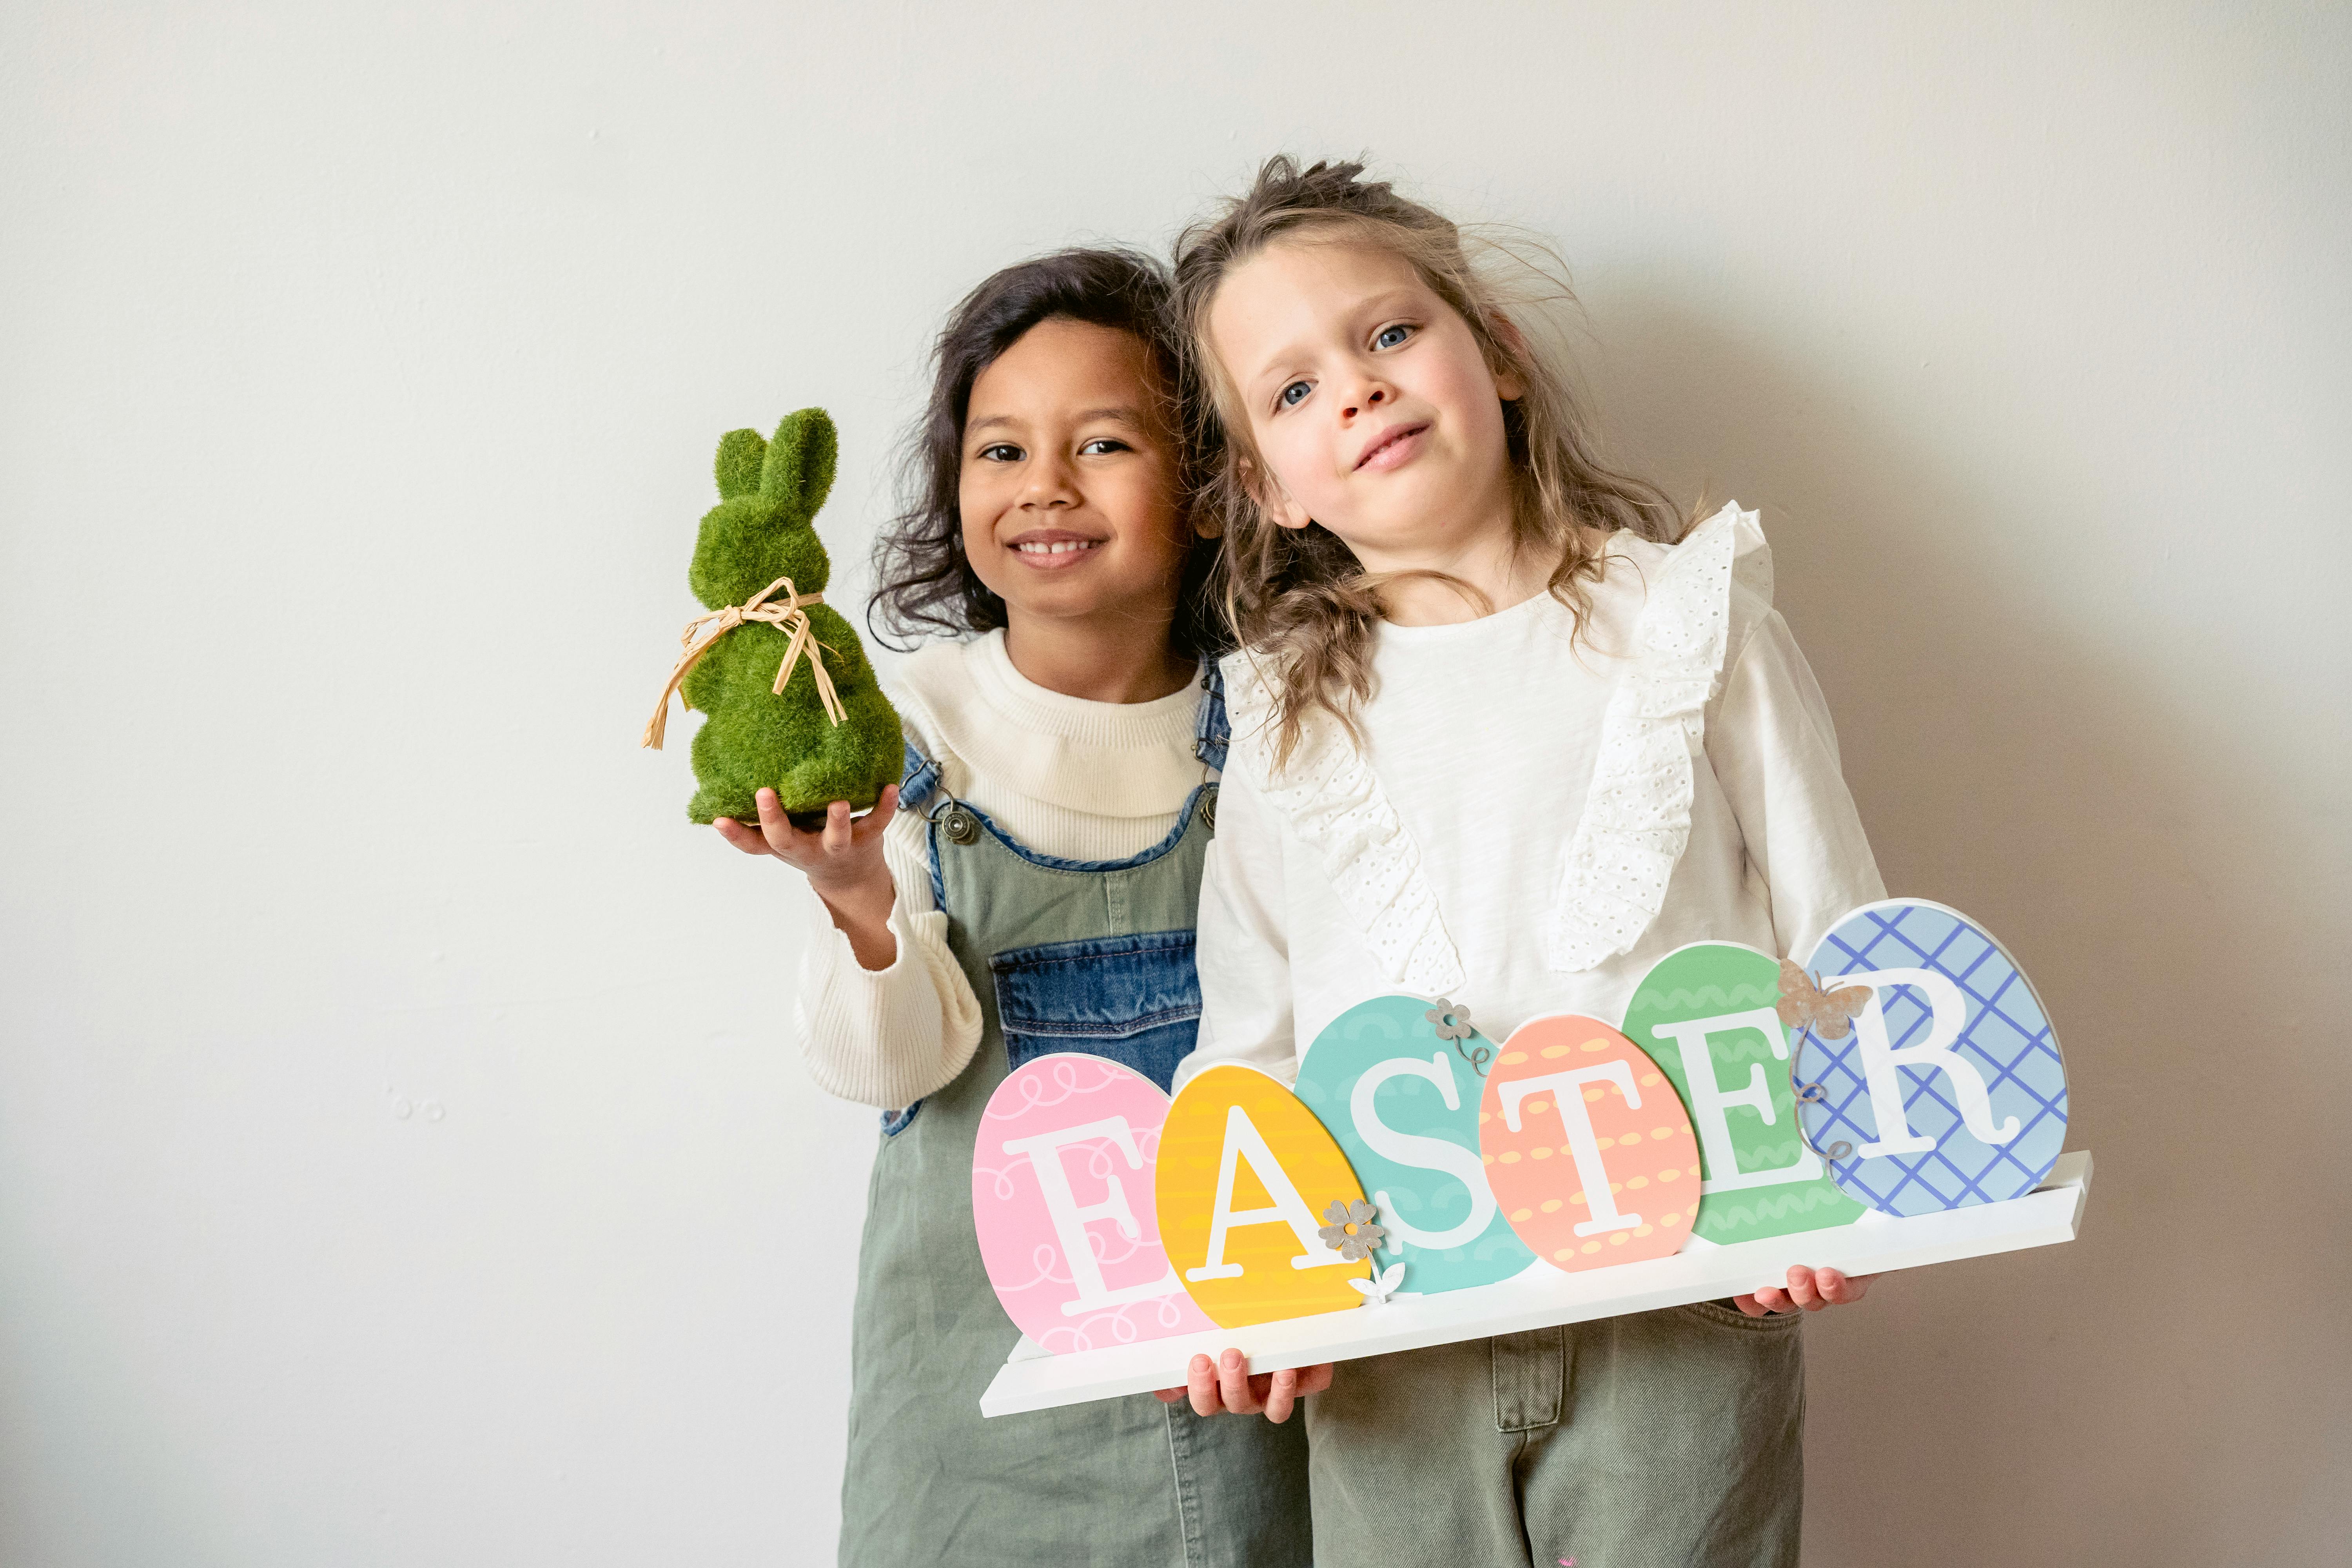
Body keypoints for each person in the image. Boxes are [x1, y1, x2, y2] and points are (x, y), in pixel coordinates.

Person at [1163, 157, 1881, 1566]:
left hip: (1687, 1305)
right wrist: (1241, 1288)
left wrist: (1830, 1179)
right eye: (1294, 390)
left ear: (1494, 354)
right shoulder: (1282, 722)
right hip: (1390, 1342)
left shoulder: (1689, 622)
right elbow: (1248, 1041)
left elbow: (1839, 936)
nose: (1357, 389)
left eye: (1385, 335)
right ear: (1268, 485)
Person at [717, 249, 1312, 1567]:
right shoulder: (905, 727)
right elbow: (894, 1065)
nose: (1045, 485)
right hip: (979, 1399)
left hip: (1245, 1363)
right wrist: (854, 895)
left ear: (1212, 492)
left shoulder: (1280, 723)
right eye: (999, 451)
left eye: (1102, 442)